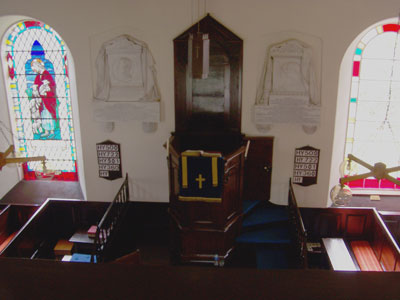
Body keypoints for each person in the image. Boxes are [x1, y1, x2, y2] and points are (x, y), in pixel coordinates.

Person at [31, 58, 58, 138]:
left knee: (49, 114)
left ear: (38, 66)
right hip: (41, 100)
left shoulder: (46, 74)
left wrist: (46, 89)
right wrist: (35, 90)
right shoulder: (38, 76)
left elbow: (52, 85)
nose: (35, 70)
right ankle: (46, 131)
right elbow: (35, 85)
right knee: (43, 115)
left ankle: (52, 131)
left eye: (35, 68)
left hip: (48, 99)